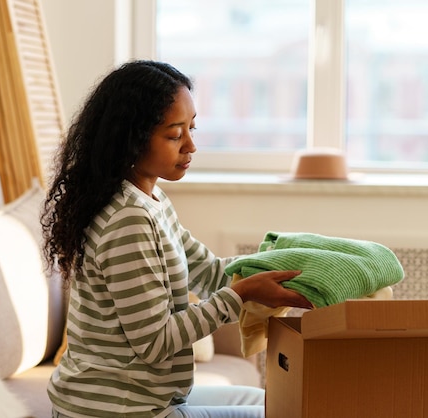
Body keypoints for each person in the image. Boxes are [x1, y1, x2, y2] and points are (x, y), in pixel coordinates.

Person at [41, 60, 312, 418]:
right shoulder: (128, 221)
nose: (191, 146)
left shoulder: (152, 202)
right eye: (174, 135)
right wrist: (242, 294)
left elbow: (210, 271)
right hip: (116, 410)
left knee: (277, 402)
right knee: (284, 411)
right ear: (132, 140)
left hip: (144, 401)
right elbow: (155, 343)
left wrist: (289, 265)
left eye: (192, 128)